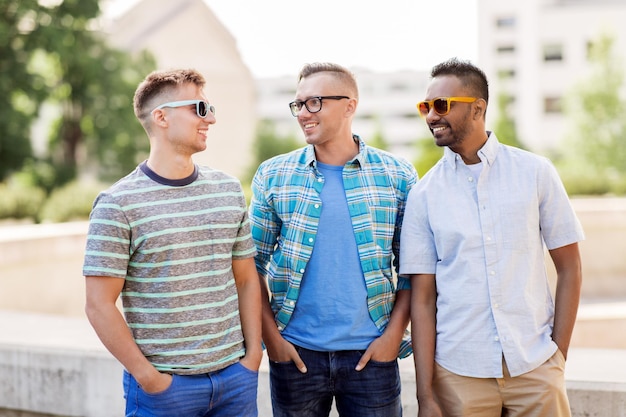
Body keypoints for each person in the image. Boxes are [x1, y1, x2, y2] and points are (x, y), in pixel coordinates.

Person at [400, 57, 584, 417]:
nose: (431, 116)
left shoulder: (535, 172)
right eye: (426, 106)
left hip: (535, 365)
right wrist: (426, 395)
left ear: (478, 109)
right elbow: (422, 300)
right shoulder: (423, 195)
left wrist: (557, 355)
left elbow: (570, 267)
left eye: (442, 105)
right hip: (458, 372)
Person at [82, 68, 262, 417]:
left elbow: (246, 279)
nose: (210, 118)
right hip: (164, 392)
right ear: (161, 117)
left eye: (210, 108)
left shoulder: (228, 190)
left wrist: (252, 356)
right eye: (199, 108)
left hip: (235, 382)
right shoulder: (117, 203)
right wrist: (149, 378)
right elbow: (99, 305)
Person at [248, 62, 419, 417]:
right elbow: (251, 267)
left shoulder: (398, 175)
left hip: (371, 356)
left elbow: (412, 267)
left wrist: (392, 338)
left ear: (350, 105)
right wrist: (273, 341)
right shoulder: (273, 174)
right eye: (299, 104)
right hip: (296, 357)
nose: (303, 114)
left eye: (315, 102)